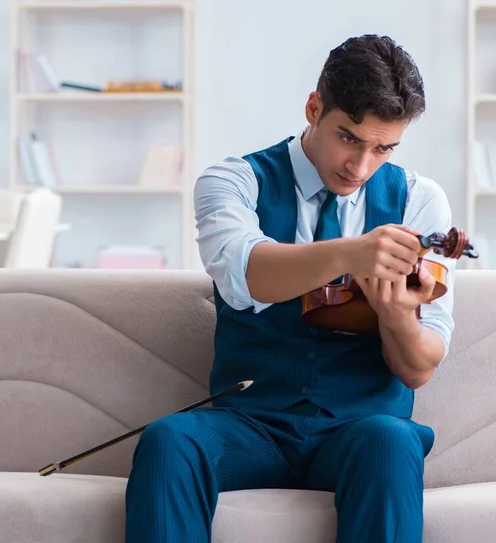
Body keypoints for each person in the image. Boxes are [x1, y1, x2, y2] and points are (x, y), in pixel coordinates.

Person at [125, 33, 455, 543]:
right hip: (252, 423)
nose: (361, 166)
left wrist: (394, 316)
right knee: (169, 439)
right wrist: (350, 252)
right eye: (349, 137)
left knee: (392, 440)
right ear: (313, 107)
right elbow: (246, 275)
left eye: (383, 148)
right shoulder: (234, 181)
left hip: (360, 429)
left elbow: (418, 369)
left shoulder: (419, 199)